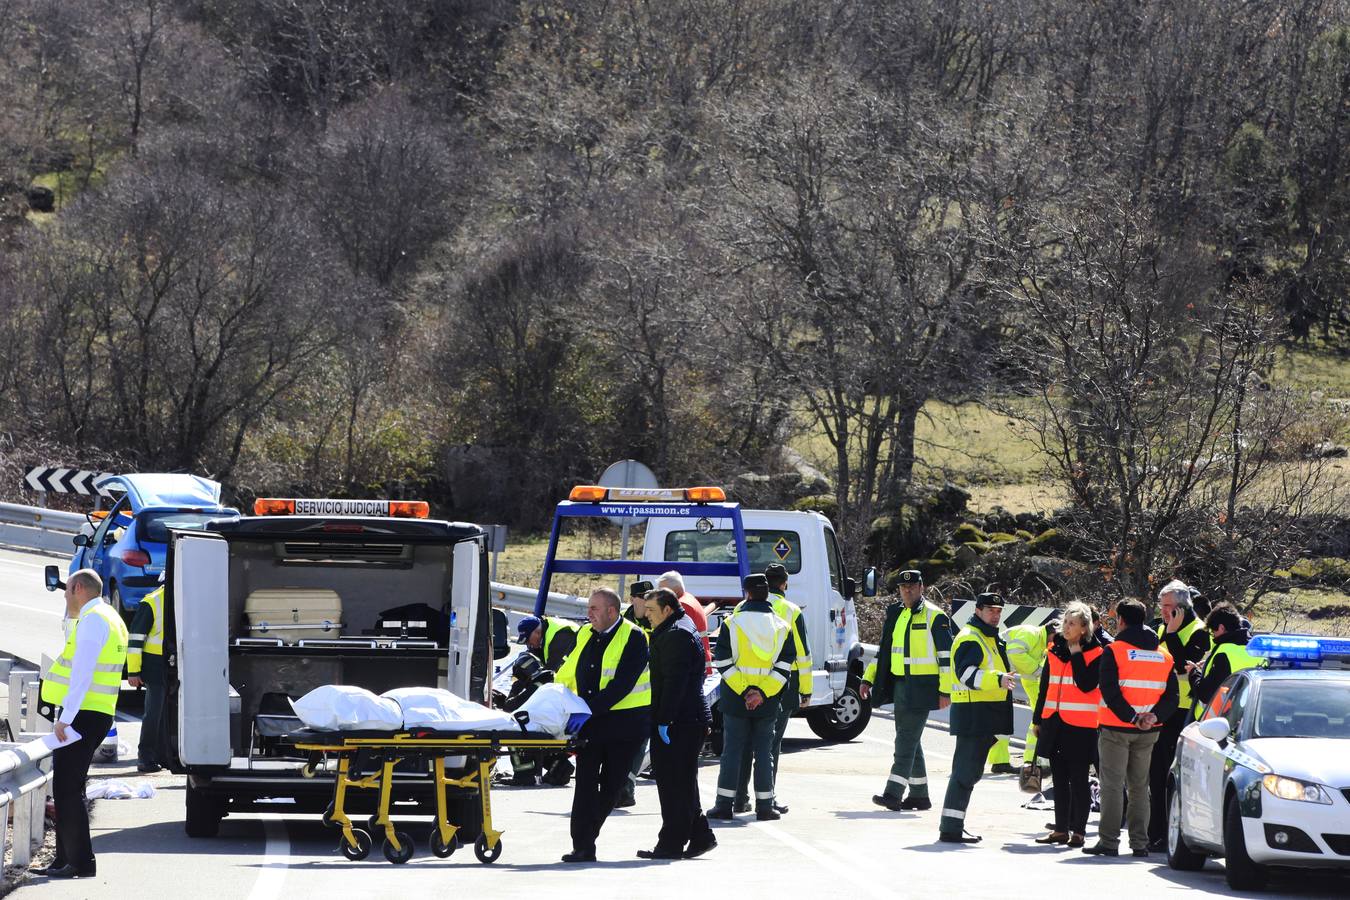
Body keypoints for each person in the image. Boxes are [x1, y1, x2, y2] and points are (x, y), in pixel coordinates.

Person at [35, 569, 129, 880]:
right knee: (68, 788)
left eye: (66, 592)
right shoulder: (110, 616)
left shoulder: (93, 620)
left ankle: (80, 862)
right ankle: (65, 860)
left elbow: (82, 673)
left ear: (77, 588)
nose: (64, 597)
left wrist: (66, 718)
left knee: (67, 789)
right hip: (96, 713)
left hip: (83, 715)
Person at [555, 587, 651, 863]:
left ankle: (588, 834)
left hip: (625, 724)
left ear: (612, 611)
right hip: (590, 724)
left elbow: (622, 684)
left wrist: (587, 709)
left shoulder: (634, 636)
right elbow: (569, 672)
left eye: (594, 609)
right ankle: (582, 845)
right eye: (588, 608)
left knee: (612, 787)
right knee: (584, 783)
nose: (589, 614)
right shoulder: (584, 633)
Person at [1083, 597, 1179, 858]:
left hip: (1116, 727)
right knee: (1140, 787)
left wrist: (1131, 717)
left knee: (1112, 786)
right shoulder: (1164, 656)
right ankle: (1139, 843)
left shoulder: (1114, 651)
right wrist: (1152, 716)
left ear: (1121, 621)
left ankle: (1109, 842)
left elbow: (1110, 691)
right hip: (1149, 730)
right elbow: (1173, 698)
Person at [860, 569, 952, 812]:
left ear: (922, 587)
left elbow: (946, 658)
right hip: (900, 685)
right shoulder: (897, 614)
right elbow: (885, 651)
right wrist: (868, 679)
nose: (907, 591)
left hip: (921, 689)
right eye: (902, 587)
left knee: (905, 741)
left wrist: (945, 691)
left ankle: (893, 793)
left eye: (912, 587)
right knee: (911, 740)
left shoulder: (936, 616)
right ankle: (920, 795)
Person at [707, 573, 795, 822]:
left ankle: (725, 804)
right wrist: (761, 693)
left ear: (746, 593)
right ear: (767, 594)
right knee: (764, 753)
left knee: (732, 752)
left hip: (736, 699)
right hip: (767, 702)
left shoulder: (732, 624)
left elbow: (722, 661)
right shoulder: (782, 627)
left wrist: (745, 691)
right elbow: (784, 666)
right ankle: (765, 806)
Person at [637, 588, 717, 860]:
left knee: (674, 786)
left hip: (680, 721)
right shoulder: (677, 626)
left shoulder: (676, 635)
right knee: (682, 784)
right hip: (685, 719)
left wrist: (664, 720)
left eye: (651, 610)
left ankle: (671, 844)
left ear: (667, 609)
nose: (646, 615)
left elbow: (675, 684)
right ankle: (701, 836)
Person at [938, 593, 1016, 843]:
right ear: (978, 610)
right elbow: (966, 674)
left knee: (968, 772)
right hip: (974, 714)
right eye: (991, 610)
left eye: (999, 611)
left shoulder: (986, 637)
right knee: (965, 773)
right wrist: (998, 679)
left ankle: (953, 826)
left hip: (983, 714)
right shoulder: (972, 638)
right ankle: (951, 828)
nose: (995, 615)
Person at [734, 563, 809, 815]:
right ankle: (767, 797)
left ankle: (739, 797)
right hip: (781, 684)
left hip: (745, 684)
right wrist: (806, 691)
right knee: (771, 744)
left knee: (744, 744)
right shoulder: (792, 611)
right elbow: (802, 655)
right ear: (784, 583)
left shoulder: (740, 608)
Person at [1031, 602, 1102, 848]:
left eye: (1072, 623)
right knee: (1059, 780)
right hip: (1054, 722)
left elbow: (1086, 684)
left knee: (1079, 780)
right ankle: (1060, 829)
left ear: (1084, 628)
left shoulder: (1097, 653)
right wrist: (1037, 718)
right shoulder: (1054, 650)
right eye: (1066, 622)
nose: (1067, 627)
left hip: (1081, 727)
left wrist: (1076, 653)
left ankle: (1079, 832)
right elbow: (1045, 687)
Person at [1147, 579, 1210, 851]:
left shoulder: (1199, 631)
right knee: (1156, 775)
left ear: (1182, 608)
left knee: (1172, 777)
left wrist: (1172, 634)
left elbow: (1184, 668)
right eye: (1161, 606)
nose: (1163, 612)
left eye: (1169, 607)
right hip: (1160, 709)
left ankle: (1173, 834)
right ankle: (1156, 833)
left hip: (1183, 713)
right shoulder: (1162, 628)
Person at [987, 618, 1055, 775]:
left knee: (1001, 720)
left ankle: (1000, 761)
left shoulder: (1040, 644)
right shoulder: (1032, 634)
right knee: (1000, 720)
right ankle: (1020, 760)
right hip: (996, 676)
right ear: (1052, 633)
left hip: (1000, 677)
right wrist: (1039, 672)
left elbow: (1029, 675)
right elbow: (1015, 653)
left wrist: (1039, 698)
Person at [617, 580, 656, 808]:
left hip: (650, 695)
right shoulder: (622, 625)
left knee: (639, 744)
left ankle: (625, 789)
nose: (649, 601)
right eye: (644, 596)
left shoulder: (659, 619)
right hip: (622, 695)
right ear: (633, 599)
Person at [1187, 602, 1261, 718]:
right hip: (1246, 720)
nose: (1214, 636)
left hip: (1216, 724)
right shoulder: (1256, 649)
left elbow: (1205, 694)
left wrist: (1193, 672)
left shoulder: (1224, 651)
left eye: (1213, 632)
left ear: (1221, 627)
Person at [127, 575, 166, 773]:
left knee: (167, 713)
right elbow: (135, 640)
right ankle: (146, 756)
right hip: (156, 666)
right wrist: (133, 671)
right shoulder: (151, 602)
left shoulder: (189, 597)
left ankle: (164, 755)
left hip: (176, 664)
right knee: (154, 713)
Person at [658, 570, 711, 668]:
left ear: (676, 591)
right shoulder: (688, 598)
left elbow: (677, 639)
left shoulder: (682, 606)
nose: (658, 595)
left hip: (691, 665)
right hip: (695, 662)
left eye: (662, 592)